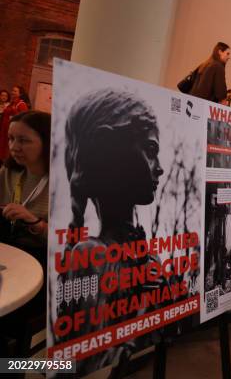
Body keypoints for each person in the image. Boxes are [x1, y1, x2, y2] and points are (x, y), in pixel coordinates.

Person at [55, 89, 171, 373]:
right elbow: (85, 360)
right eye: (151, 150)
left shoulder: (144, 256)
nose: (160, 168)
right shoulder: (92, 255)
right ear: (108, 147)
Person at [0, 111, 51, 355]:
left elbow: (71, 241)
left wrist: (35, 222)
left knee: (10, 321)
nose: (14, 147)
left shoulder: (63, 181)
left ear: (46, 141)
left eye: (23, 140)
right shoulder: (9, 172)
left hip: (42, 262)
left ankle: (11, 366)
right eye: (11, 139)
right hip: (9, 254)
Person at [0, 86, 30, 161]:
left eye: (15, 91)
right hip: (4, 130)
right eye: (12, 91)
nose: (13, 92)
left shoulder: (21, 104)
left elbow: (24, 118)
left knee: (8, 150)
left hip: (12, 131)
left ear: (20, 94)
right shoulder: (11, 103)